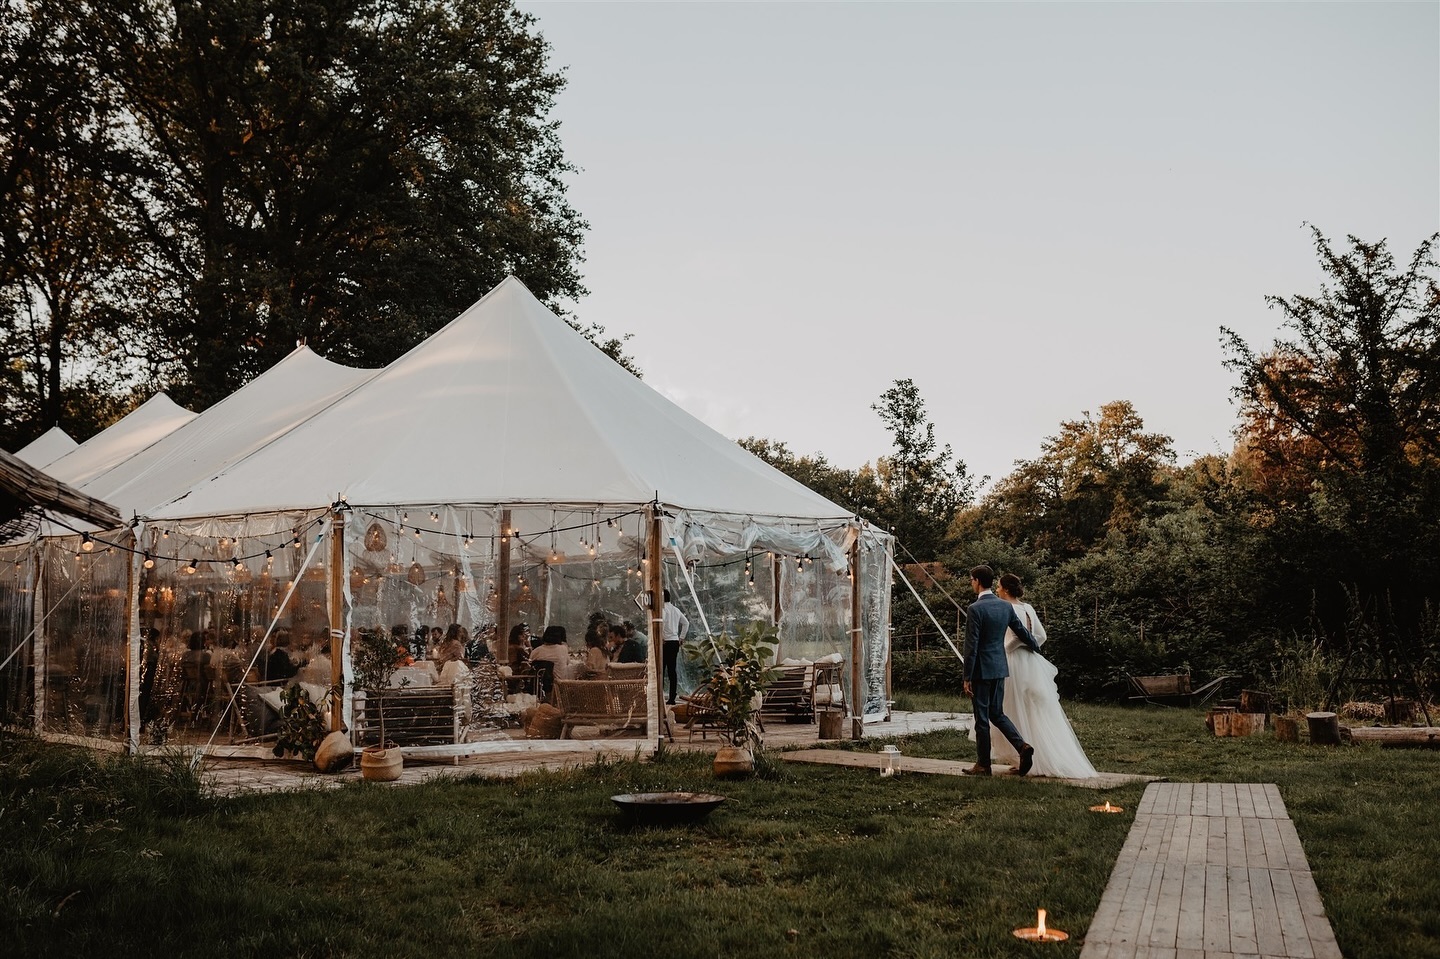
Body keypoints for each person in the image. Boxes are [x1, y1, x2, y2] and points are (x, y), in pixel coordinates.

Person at [968, 573, 1098, 779]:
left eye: (1001, 587)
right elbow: (1039, 637)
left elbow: (1012, 637)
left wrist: (1006, 647)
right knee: (1024, 711)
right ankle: (1022, 752)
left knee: (1008, 710)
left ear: (1007, 589)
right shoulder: (1027, 608)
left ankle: (1001, 759)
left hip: (1009, 662)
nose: (999, 590)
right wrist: (1032, 647)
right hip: (1030, 663)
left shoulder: (1004, 608)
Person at [963, 565, 1039, 776]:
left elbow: (972, 646)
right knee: (997, 713)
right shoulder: (1005, 607)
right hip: (1000, 667)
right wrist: (1036, 647)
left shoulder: (975, 609)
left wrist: (967, 677)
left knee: (982, 718)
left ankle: (983, 765)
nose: (971, 584)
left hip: (981, 670)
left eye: (972, 580)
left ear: (977, 581)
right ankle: (1022, 747)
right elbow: (1022, 632)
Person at [661, 589, 689, 705]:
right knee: (672, 670)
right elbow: (686, 623)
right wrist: (681, 637)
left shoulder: (663, 609)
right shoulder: (676, 610)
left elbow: (660, 622)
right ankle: (672, 698)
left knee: (661, 670)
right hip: (674, 641)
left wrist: (661, 637)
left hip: (665, 642)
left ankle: (660, 696)